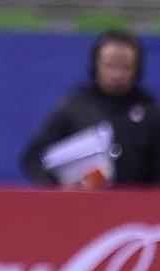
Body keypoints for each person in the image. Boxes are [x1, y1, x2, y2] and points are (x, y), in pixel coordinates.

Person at [20, 30, 160, 187]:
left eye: (125, 67)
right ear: (96, 65)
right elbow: (34, 158)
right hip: (83, 204)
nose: (117, 74)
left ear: (137, 69)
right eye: (110, 65)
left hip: (136, 205)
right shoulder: (75, 107)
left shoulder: (150, 111)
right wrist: (56, 188)